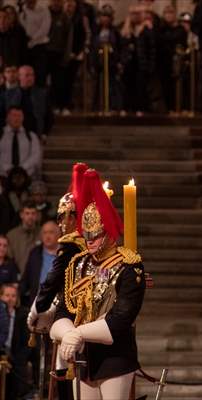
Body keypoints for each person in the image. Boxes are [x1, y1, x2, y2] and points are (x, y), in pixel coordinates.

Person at [50, 168, 146, 399]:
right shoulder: (77, 264)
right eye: (87, 236)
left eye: (96, 236)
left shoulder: (129, 265)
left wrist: (78, 333)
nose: (90, 241)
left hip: (115, 358)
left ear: (110, 233)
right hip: (83, 358)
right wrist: (68, 332)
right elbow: (64, 308)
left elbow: (121, 318)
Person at [28, 163, 88, 334]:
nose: (60, 224)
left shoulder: (70, 246)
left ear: (72, 219)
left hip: (72, 312)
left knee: (62, 353)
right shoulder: (83, 242)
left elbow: (52, 280)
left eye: (62, 218)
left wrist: (36, 308)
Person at [20, 220, 60, 308]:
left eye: (51, 232)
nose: (47, 236)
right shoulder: (35, 253)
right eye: (45, 233)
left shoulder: (64, 253)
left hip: (58, 303)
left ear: (58, 234)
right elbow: (25, 280)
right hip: (37, 303)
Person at [3, 66, 50, 139]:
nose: (30, 78)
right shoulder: (8, 94)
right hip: (13, 135)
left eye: (32, 75)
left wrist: (45, 133)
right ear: (19, 77)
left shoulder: (42, 94)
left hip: (35, 134)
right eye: (27, 75)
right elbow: (2, 114)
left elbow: (48, 115)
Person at [1, 283, 30, 399]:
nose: (10, 299)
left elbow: (27, 343)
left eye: (13, 296)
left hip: (15, 357)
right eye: (7, 295)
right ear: (1, 297)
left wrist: (17, 360)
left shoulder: (23, 315)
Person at [157, 4, 186, 112]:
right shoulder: (160, 28)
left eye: (171, 13)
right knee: (165, 87)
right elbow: (160, 40)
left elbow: (178, 39)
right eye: (167, 13)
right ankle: (168, 109)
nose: (169, 15)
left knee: (178, 86)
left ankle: (178, 107)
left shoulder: (180, 29)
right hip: (163, 61)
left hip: (177, 61)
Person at [0, 106, 42, 178]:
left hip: (26, 177)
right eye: (14, 115)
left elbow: (35, 155)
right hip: (3, 176)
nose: (17, 118)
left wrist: (22, 168)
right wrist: (7, 168)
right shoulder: (1, 135)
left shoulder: (31, 136)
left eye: (20, 116)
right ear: (7, 117)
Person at [47, 0, 71, 114]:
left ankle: (61, 105)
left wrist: (66, 55)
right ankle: (50, 106)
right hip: (45, 53)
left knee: (60, 81)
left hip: (59, 53)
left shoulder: (65, 17)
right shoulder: (45, 14)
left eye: (58, 1)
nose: (55, 3)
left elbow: (68, 38)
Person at [19, 0, 51, 85]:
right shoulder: (22, 10)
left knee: (40, 75)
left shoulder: (44, 10)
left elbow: (45, 29)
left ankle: (38, 97)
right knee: (25, 75)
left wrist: (32, 40)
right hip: (25, 47)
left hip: (40, 46)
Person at [7, 200, 40, 274]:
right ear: (21, 215)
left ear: (37, 215)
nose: (30, 216)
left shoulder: (43, 233)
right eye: (27, 213)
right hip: (17, 277)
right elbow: (8, 260)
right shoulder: (11, 235)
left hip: (37, 278)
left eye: (33, 213)